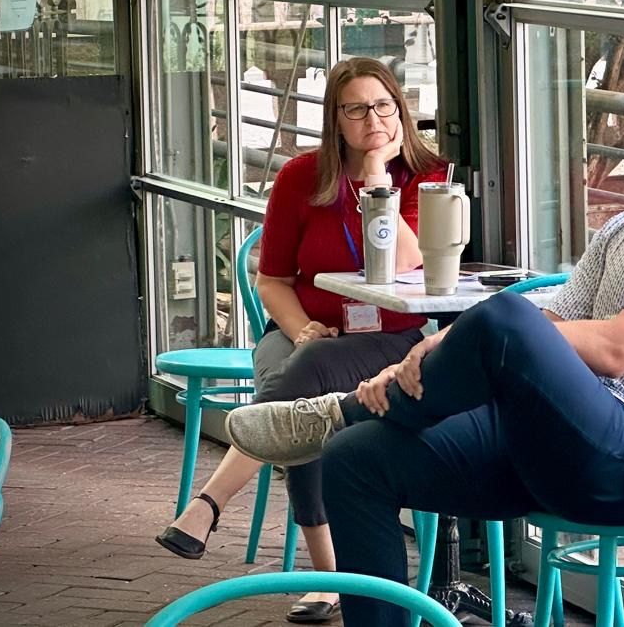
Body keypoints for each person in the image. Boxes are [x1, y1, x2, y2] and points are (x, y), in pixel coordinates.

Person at [223, 45, 624, 627]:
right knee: (354, 459)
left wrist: (460, 338)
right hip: (548, 440)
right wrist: (448, 344)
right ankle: (347, 429)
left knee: (503, 316)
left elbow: (617, 350)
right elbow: (554, 323)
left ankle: (342, 411)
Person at [156, 57, 447, 624]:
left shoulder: (426, 176)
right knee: (301, 390)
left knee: (301, 388)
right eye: (356, 110)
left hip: (388, 338)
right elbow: (273, 280)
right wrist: (301, 328)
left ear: (401, 110)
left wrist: (378, 179)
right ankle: (329, 573)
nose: (374, 120)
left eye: (384, 106)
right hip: (298, 329)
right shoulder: (301, 177)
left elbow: (408, 263)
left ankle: (210, 504)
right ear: (334, 118)